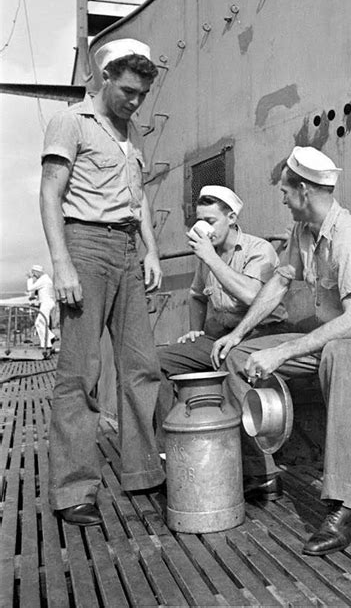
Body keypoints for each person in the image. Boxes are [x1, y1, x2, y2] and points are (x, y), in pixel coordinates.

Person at [212, 146, 351, 556]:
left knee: (338, 353)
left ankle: (348, 505)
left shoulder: (350, 236)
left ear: (304, 190)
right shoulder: (303, 233)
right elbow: (278, 284)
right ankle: (261, 474)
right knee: (238, 357)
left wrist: (281, 354)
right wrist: (239, 334)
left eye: (285, 191)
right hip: (332, 336)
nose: (281, 199)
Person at [40, 38, 164, 527]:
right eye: (128, 91)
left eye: (142, 95)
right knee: (80, 372)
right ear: (105, 77)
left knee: (141, 366)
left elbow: (141, 199)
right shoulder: (71, 122)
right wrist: (61, 263)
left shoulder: (131, 133)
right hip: (85, 247)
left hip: (127, 249)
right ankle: (73, 490)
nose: (134, 102)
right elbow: (50, 193)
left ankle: (143, 472)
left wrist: (151, 250)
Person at [156, 185, 287, 437]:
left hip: (261, 334)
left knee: (230, 360)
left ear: (231, 218)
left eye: (210, 221)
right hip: (219, 337)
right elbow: (195, 295)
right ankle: (168, 446)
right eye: (199, 221)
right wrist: (195, 330)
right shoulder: (209, 255)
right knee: (156, 363)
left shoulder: (258, 249)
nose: (203, 228)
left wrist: (210, 259)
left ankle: (249, 459)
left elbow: (252, 295)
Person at [26, 264, 56, 357]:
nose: (33, 275)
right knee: (41, 323)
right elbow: (40, 291)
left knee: (40, 323)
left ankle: (49, 340)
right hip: (47, 303)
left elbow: (30, 288)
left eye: (33, 273)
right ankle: (47, 342)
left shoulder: (44, 279)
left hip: (46, 303)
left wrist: (30, 278)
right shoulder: (45, 279)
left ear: (36, 272)